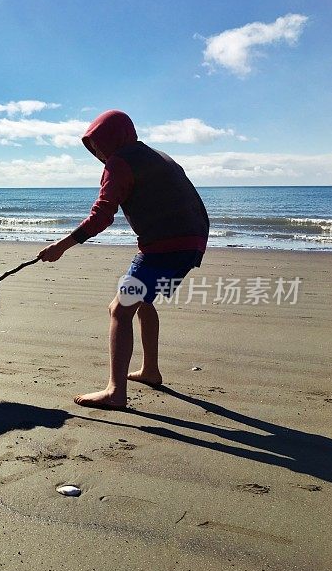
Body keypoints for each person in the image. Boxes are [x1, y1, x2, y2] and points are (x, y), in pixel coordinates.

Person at [37, 110, 209, 409]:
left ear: (113, 138)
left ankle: (116, 392)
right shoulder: (157, 156)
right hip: (191, 244)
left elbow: (102, 215)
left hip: (164, 247)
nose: (97, 152)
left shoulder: (120, 162)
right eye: (92, 147)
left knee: (120, 308)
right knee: (142, 301)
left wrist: (61, 246)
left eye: (98, 144)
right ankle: (150, 371)